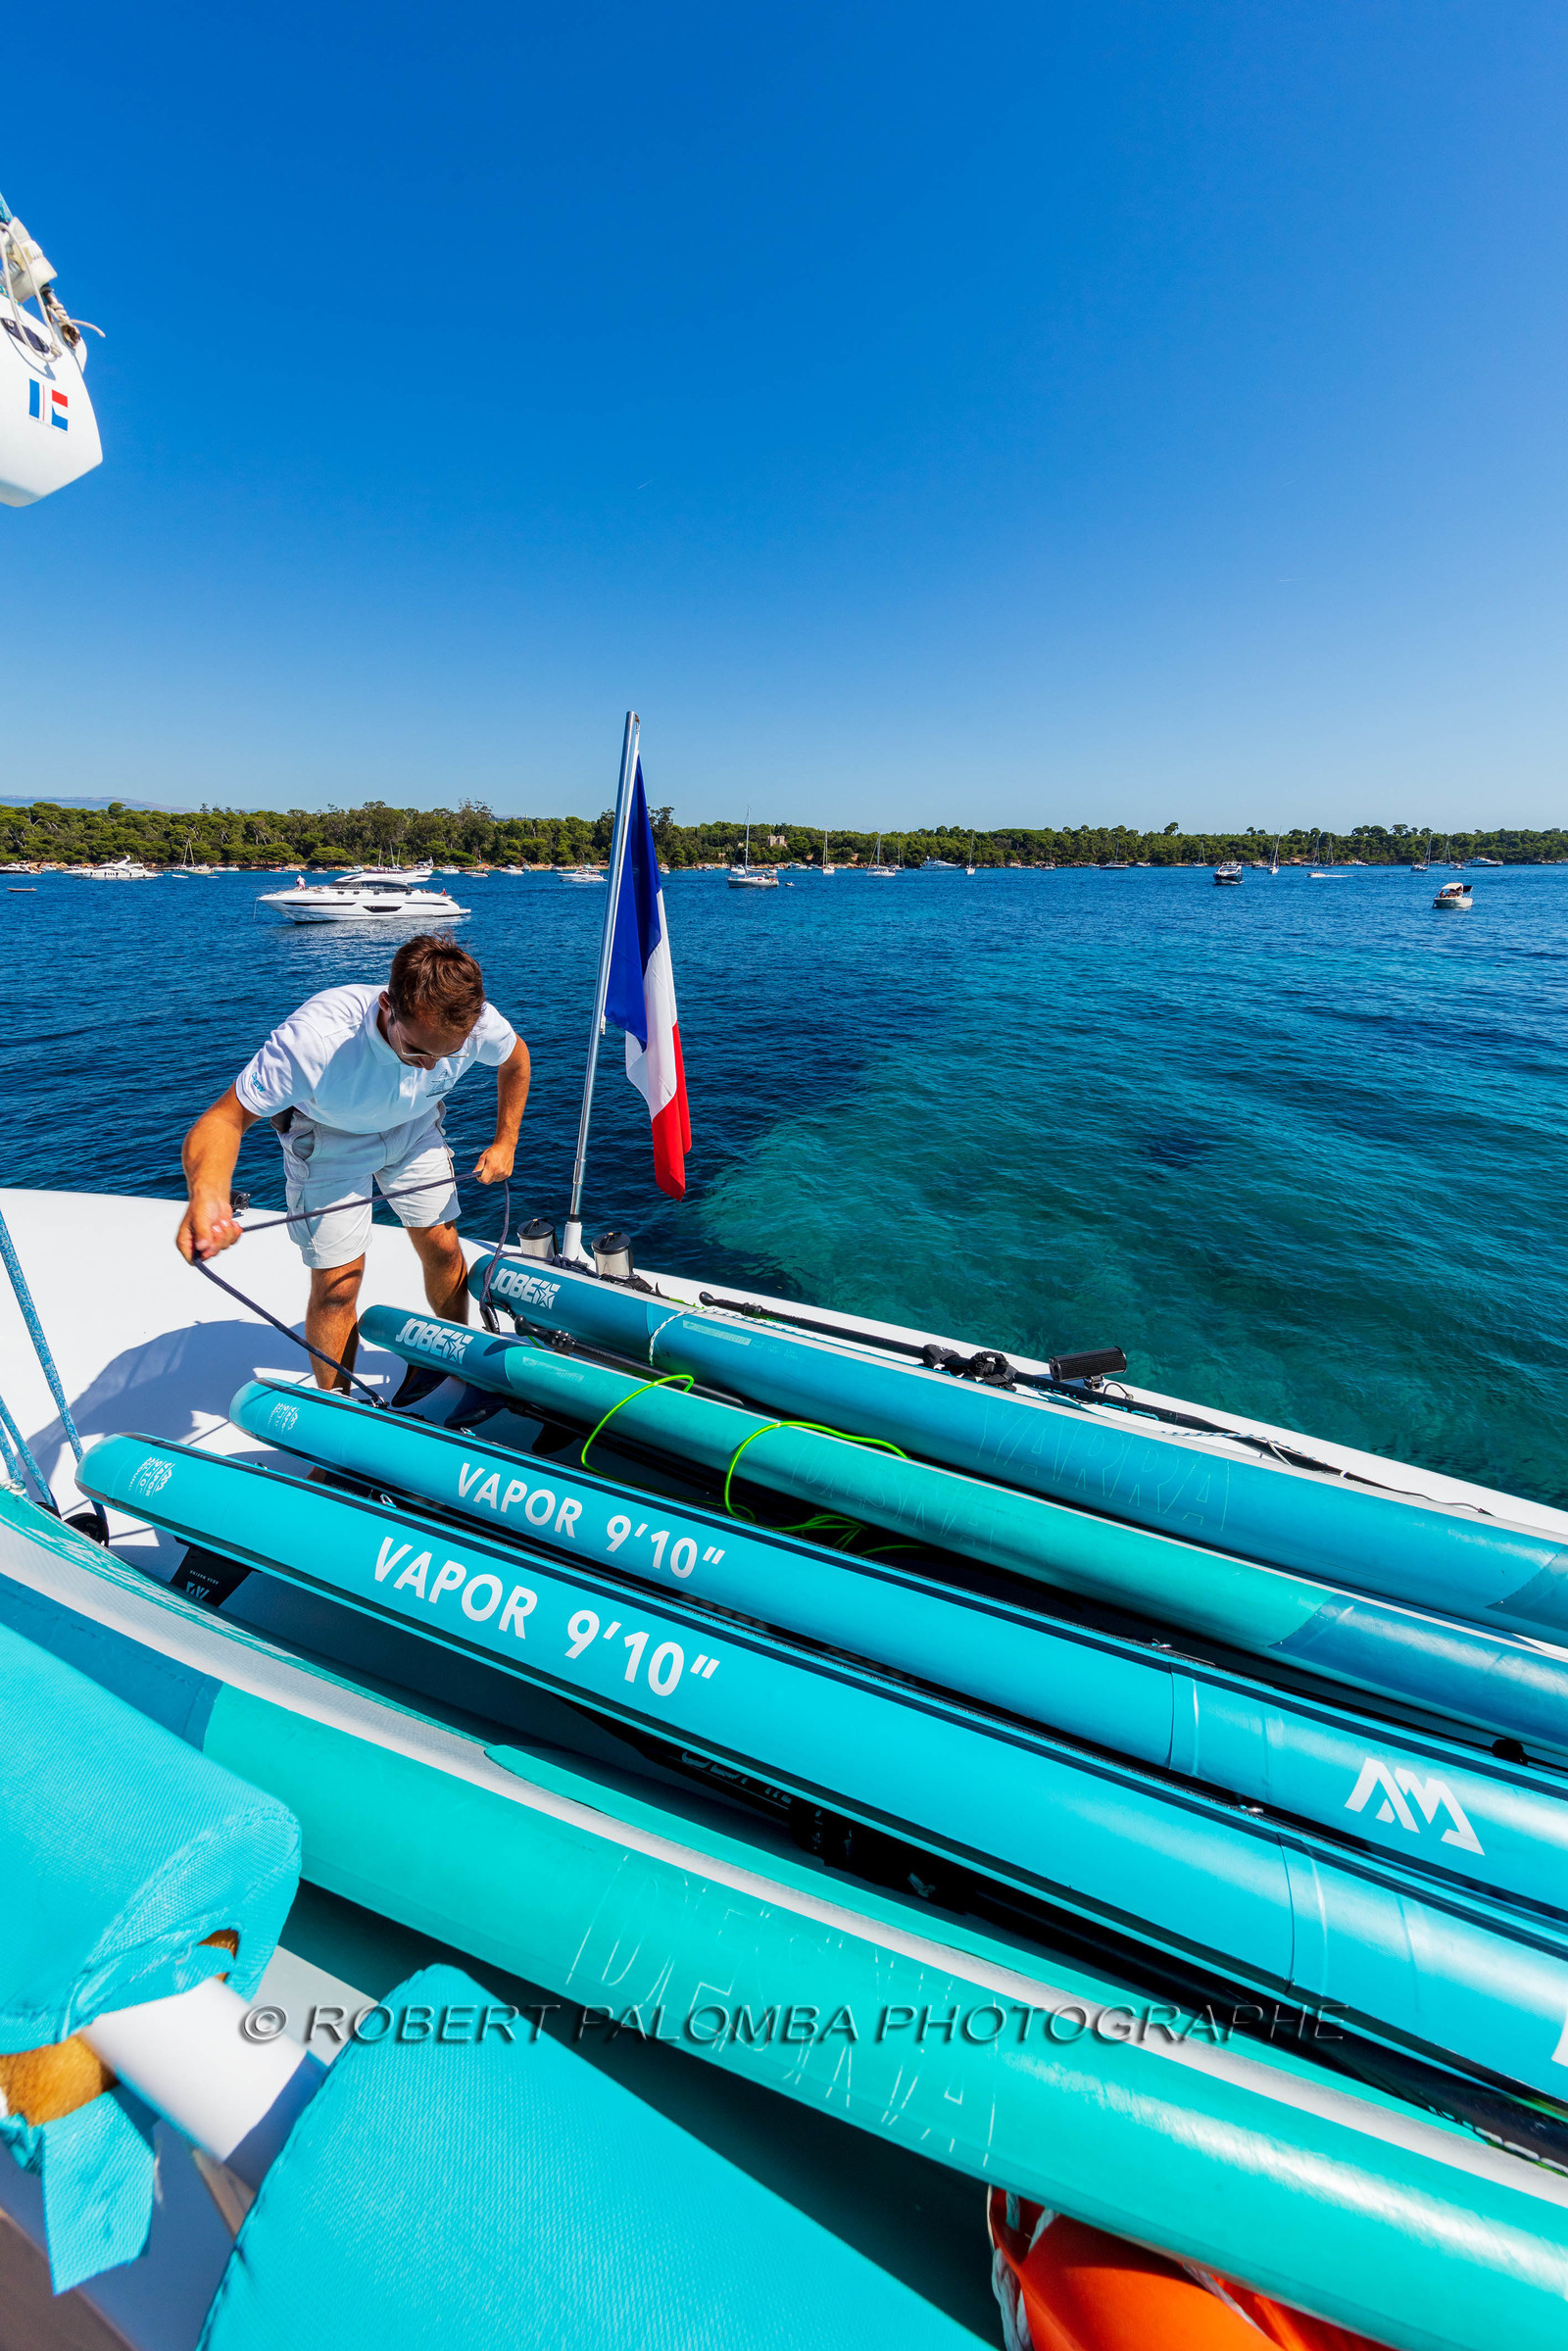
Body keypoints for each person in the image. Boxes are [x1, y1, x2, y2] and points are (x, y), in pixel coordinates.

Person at [176, 934, 530, 1389]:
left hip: (415, 1126)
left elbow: (515, 1061)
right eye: (417, 1051)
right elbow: (224, 1119)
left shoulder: (479, 1024)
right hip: (329, 1139)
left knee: (444, 1249)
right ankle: (338, 1402)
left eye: (447, 1054)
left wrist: (506, 1143)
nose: (429, 1066)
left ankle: (454, 1353)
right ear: (387, 1006)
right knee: (337, 1287)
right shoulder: (316, 1040)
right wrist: (207, 1194)